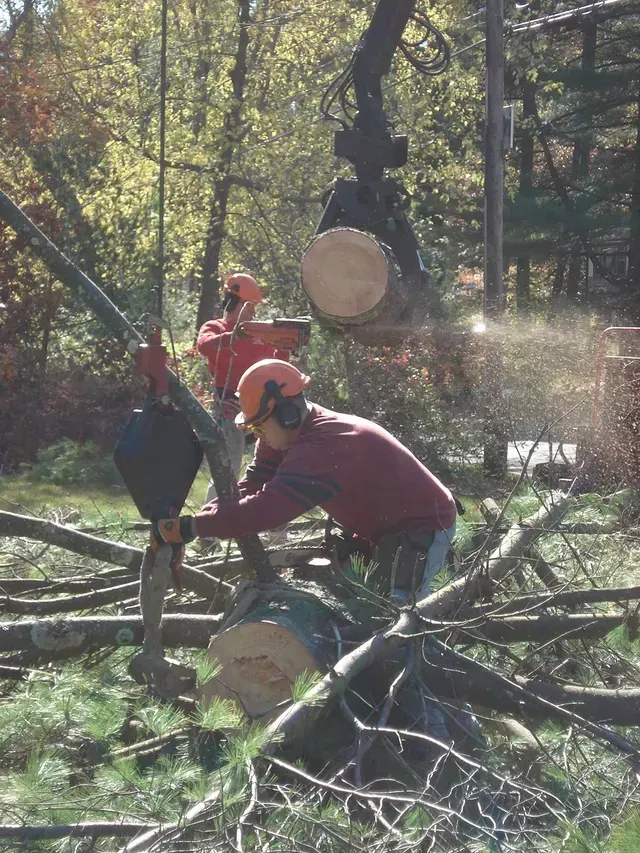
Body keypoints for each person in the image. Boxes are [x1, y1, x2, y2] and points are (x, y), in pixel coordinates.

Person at [155, 360, 459, 599]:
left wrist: (192, 528)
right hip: (380, 527)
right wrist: (191, 526)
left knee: (393, 612)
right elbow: (252, 485)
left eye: (259, 428)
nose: (258, 438)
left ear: (286, 413)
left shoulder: (326, 443)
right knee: (356, 598)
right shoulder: (287, 436)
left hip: (421, 527)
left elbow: (268, 510)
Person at [196, 273, 289, 501]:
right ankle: (212, 523)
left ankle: (262, 512)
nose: (253, 312)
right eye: (250, 306)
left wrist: (285, 345)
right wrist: (233, 337)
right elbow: (204, 346)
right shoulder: (215, 327)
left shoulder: (260, 333)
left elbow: (277, 365)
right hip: (229, 407)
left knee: (273, 462)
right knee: (228, 468)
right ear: (234, 302)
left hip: (262, 407)